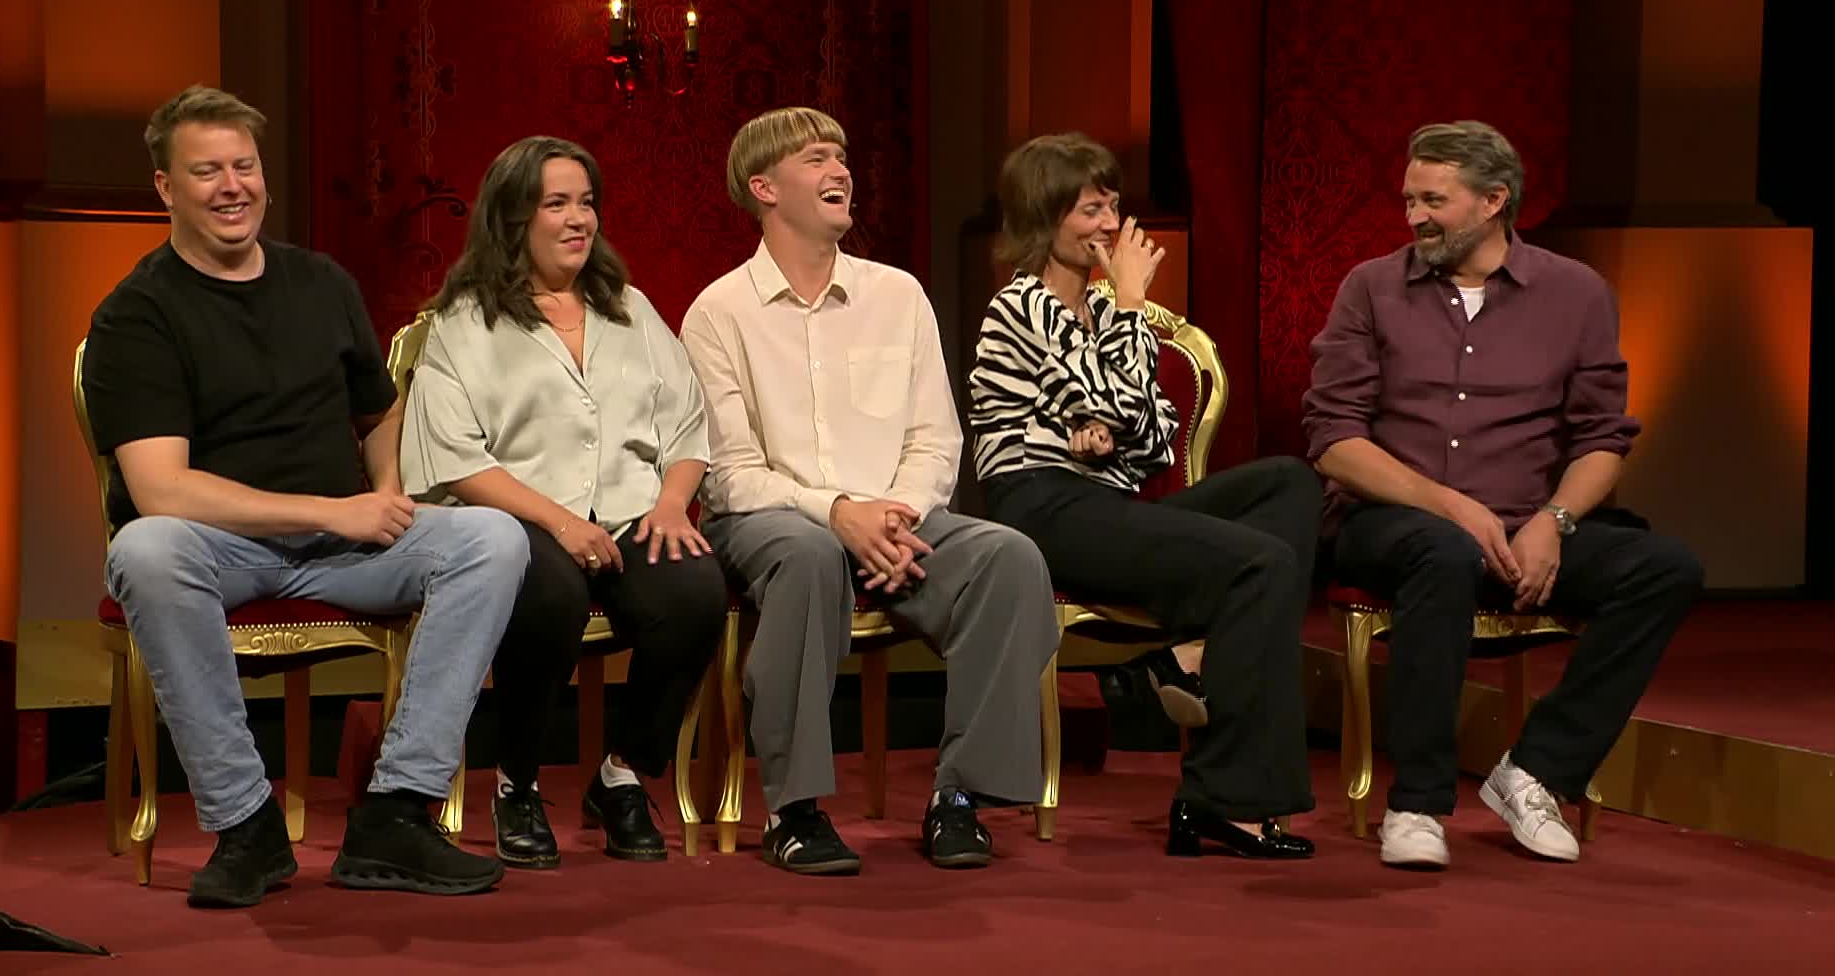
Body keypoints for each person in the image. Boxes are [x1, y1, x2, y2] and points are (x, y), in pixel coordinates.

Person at [83, 85, 526, 907]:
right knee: (144, 549)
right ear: (166, 188)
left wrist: (386, 491)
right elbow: (160, 488)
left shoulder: (321, 282)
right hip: (222, 551)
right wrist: (332, 510)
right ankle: (246, 827)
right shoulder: (137, 315)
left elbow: (379, 412)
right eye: (207, 171)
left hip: (343, 549)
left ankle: (396, 811)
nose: (232, 186)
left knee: (493, 539)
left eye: (244, 166)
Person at [1304, 120, 1702, 869]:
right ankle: (1418, 804)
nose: (1414, 216)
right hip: (1395, 523)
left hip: (1525, 526)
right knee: (1443, 551)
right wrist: (1450, 504)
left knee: (1665, 568)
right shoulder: (1371, 288)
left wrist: (1554, 521)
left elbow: (1602, 439)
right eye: (1409, 199)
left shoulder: (1576, 294)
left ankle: (1537, 772)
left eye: (1434, 200)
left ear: (1493, 201)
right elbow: (1334, 440)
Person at [679, 106, 1060, 874]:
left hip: (896, 516)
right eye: (816, 159)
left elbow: (935, 438)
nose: (840, 171)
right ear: (763, 187)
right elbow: (731, 473)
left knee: (1008, 558)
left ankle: (960, 796)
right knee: (810, 554)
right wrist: (838, 513)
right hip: (771, 516)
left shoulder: (897, 295)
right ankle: (794, 811)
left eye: (842, 157)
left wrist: (894, 515)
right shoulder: (718, 313)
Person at [968, 132, 1318, 860]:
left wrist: (1099, 418)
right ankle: (1227, 799)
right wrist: (1127, 316)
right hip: (1040, 508)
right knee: (1264, 563)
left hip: (1108, 505)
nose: (1111, 226)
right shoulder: (1020, 307)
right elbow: (1114, 406)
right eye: (1091, 210)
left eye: (1112, 207)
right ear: (1046, 217)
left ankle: (1189, 655)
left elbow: (1153, 437)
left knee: (1288, 481)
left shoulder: (1102, 314)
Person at [400, 136, 726, 867]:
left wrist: (673, 504)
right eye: (557, 204)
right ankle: (516, 782)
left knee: (695, 591)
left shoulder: (630, 310)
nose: (579, 219)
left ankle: (621, 776)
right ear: (514, 216)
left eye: (586, 203)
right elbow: (453, 458)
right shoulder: (464, 323)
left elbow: (687, 424)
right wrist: (559, 522)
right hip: (520, 521)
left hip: (632, 513)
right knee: (548, 594)